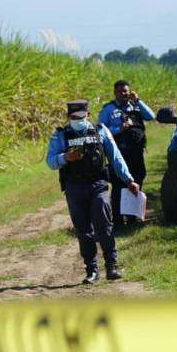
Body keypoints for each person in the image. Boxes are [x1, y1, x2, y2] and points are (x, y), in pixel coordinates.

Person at [47, 99, 141, 284]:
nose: (77, 120)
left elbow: (115, 157)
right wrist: (65, 157)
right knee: (84, 231)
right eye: (74, 117)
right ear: (68, 117)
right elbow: (50, 161)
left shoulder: (100, 130)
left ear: (88, 115)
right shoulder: (60, 135)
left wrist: (128, 179)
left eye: (81, 117)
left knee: (104, 225)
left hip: (97, 184)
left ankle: (112, 266)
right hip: (74, 187)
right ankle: (91, 270)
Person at [98, 79, 156, 225]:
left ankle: (132, 217)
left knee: (137, 180)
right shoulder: (108, 109)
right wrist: (119, 129)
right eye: (119, 91)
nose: (123, 94)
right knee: (119, 185)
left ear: (129, 92)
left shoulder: (135, 106)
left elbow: (151, 116)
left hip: (136, 152)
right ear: (114, 93)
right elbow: (100, 132)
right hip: (118, 154)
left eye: (125, 91)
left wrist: (138, 101)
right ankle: (117, 219)